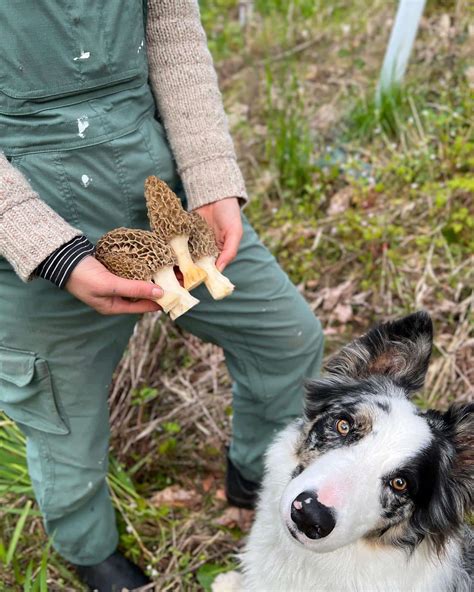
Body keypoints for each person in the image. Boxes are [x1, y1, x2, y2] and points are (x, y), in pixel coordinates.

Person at [0, 1, 324, 590]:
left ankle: (255, 476)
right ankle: (88, 547)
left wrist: (211, 178)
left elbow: (172, 34)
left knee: (284, 337)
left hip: (161, 186)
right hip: (31, 216)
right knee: (63, 420)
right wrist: (51, 252)